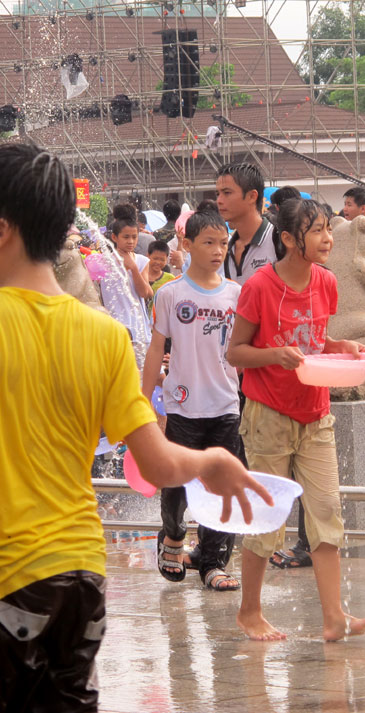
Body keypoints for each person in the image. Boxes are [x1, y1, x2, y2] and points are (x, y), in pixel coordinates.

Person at [0, 143, 268, 711]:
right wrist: (212, 461)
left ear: (1, 230)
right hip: (81, 577)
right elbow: (157, 463)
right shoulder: (103, 334)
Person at [226, 198, 365, 642]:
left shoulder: (326, 282)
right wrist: (275, 354)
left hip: (316, 413)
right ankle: (249, 612)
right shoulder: (260, 286)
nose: (328, 238)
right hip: (268, 415)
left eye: (328, 229)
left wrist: (342, 347)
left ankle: (334, 617)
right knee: (268, 518)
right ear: (290, 239)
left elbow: (315, 340)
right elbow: (235, 352)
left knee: (327, 511)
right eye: (317, 231)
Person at [142, 211, 245, 591]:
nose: (218, 250)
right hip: (183, 406)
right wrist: (142, 401)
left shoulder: (236, 294)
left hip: (225, 405)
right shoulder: (170, 294)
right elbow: (156, 349)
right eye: (209, 243)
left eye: (223, 243)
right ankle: (172, 534)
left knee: (222, 486)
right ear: (187, 245)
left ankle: (213, 562)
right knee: (176, 484)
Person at [217, 163, 276, 285]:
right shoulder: (225, 250)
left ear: (252, 196)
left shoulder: (279, 243)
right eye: (218, 194)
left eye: (227, 193)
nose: (219, 200)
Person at [103, 216, 153, 339]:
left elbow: (145, 293)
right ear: (114, 237)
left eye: (134, 237)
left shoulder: (142, 261)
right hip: (113, 327)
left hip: (138, 328)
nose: (130, 241)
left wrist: (134, 268)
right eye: (126, 237)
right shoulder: (104, 262)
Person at [144, 240, 176, 316]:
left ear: (166, 260)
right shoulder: (140, 275)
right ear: (148, 256)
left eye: (162, 260)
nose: (158, 262)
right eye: (155, 258)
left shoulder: (170, 279)